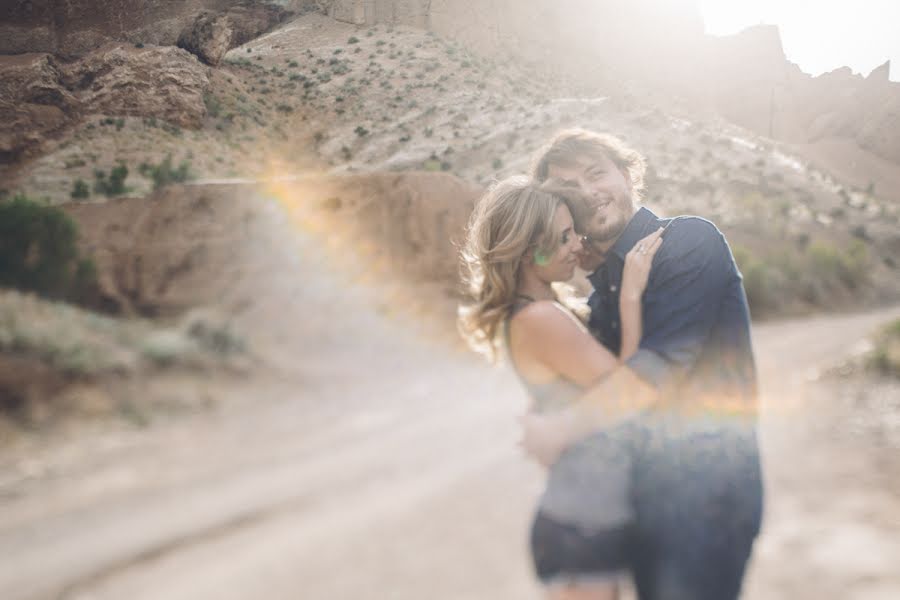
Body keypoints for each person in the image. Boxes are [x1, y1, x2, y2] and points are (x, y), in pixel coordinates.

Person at [525, 129, 764, 600]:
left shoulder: (689, 242)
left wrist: (561, 428)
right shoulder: (601, 292)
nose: (588, 191)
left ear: (629, 175)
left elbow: (653, 374)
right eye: (569, 186)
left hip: (702, 498)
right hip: (633, 502)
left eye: (597, 173)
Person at [459, 176, 665, 599]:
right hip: (580, 527)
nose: (577, 244)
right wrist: (630, 297)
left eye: (574, 231)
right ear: (526, 250)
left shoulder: (540, 311)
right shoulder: (540, 319)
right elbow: (630, 395)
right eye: (563, 237)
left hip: (588, 520)